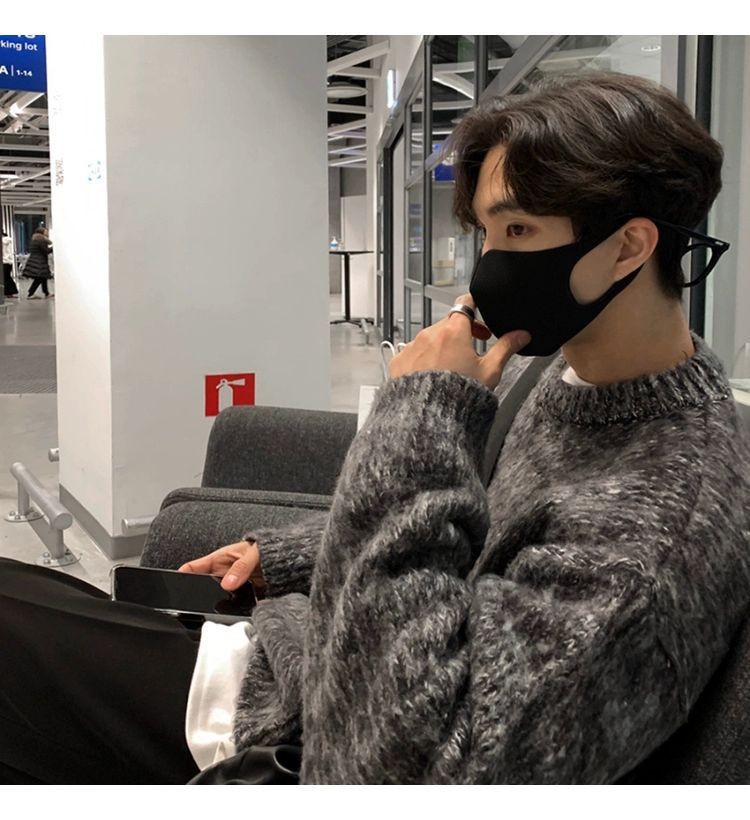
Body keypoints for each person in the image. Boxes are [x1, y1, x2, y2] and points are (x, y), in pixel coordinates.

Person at [1, 69, 749, 785]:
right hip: (296, 660)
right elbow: (478, 524)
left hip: (281, 733)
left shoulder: (663, 530)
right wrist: (290, 557)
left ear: (629, 246)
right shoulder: (571, 372)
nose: (488, 268)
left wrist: (420, 409)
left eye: (518, 230)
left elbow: (396, 767)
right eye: (487, 234)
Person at [22, 225, 54, 298]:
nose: (47, 233)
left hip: (35, 260)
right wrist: (53, 248)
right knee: (39, 278)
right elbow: (46, 251)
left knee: (43, 277)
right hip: (39, 262)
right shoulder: (41, 240)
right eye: (46, 231)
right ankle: (31, 293)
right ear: (42, 232)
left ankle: (46, 293)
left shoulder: (35, 239)